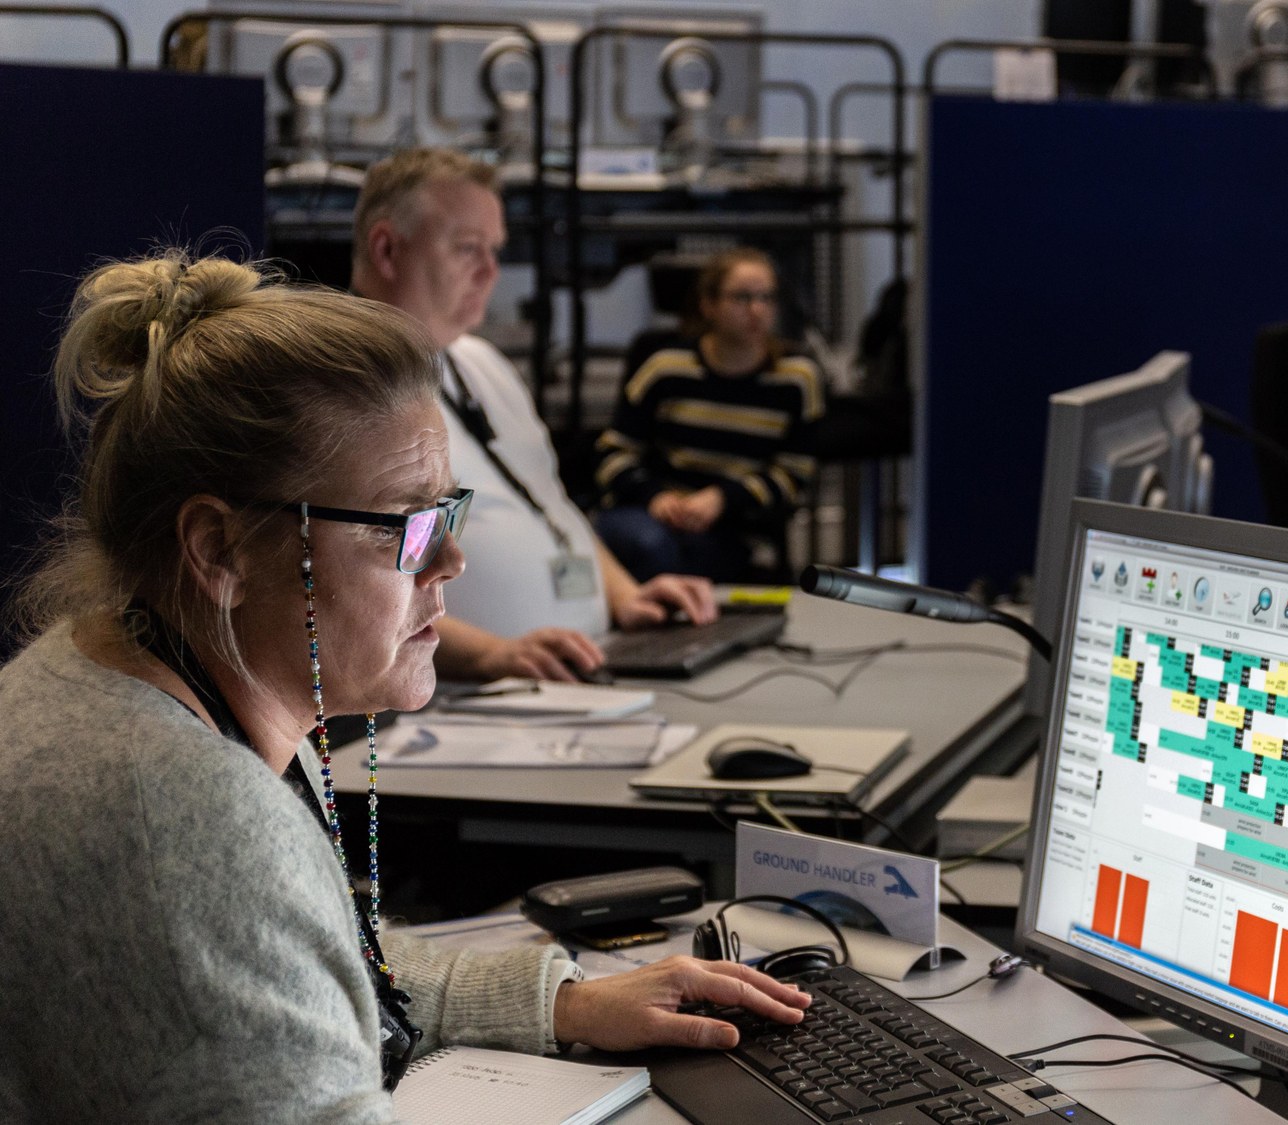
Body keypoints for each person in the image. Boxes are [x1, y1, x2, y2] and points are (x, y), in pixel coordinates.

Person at [0, 252, 809, 1118]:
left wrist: (562, 1002)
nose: (451, 559)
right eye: (407, 524)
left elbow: (327, 957)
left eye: (448, 513)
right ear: (219, 550)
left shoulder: (120, 670)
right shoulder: (198, 820)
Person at [349, 148, 717, 684]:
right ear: (387, 250)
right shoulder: (348, 384)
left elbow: (551, 503)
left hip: (587, 663)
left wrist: (625, 595)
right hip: (466, 695)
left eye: (495, 250)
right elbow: (359, 584)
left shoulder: (482, 361)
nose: (491, 271)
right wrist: (490, 656)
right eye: (467, 248)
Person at [596, 248, 824, 582]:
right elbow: (612, 453)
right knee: (652, 545)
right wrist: (655, 496)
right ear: (709, 304)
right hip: (651, 511)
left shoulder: (796, 379)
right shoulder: (667, 368)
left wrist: (722, 499)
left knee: (704, 555)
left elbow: (795, 472)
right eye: (742, 298)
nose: (756, 310)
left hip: (731, 520)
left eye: (766, 298)